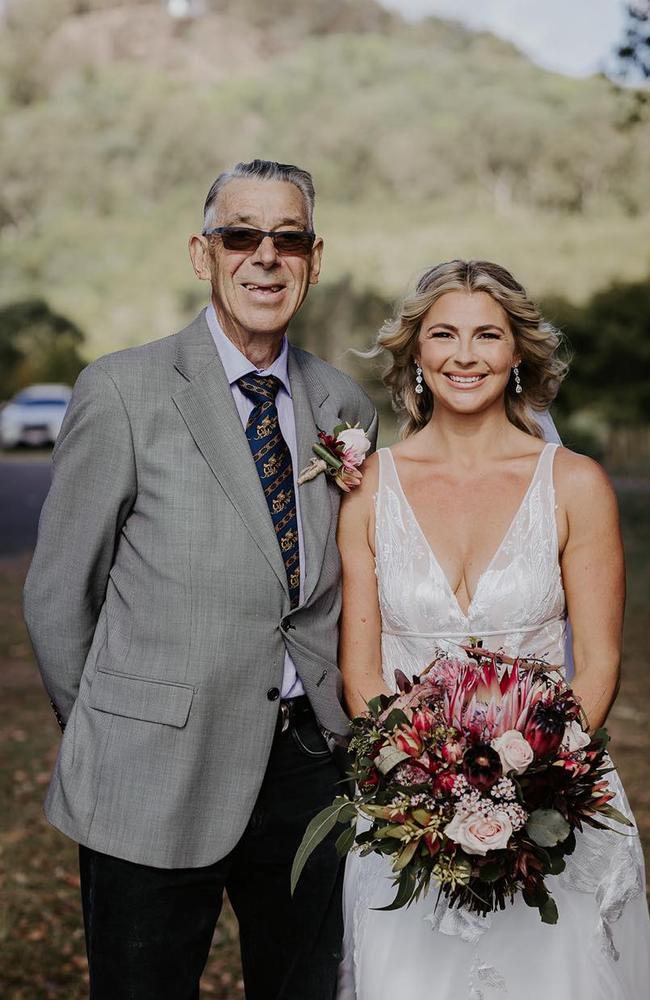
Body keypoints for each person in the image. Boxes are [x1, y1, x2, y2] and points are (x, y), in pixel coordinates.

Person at [23, 158, 377, 1000]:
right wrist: (114, 729)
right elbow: (58, 593)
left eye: (287, 238)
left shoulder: (344, 407)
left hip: (307, 765)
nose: (265, 255)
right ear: (202, 252)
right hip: (150, 766)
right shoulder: (122, 390)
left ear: (314, 259)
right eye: (240, 235)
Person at [335, 260, 650, 999]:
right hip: (405, 811)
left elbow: (599, 666)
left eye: (487, 335)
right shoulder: (368, 488)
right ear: (415, 353)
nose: (464, 354)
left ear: (517, 355)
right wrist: (428, 796)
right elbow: (361, 677)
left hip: (555, 807)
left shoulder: (574, 483)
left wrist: (532, 787)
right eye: (443, 334)